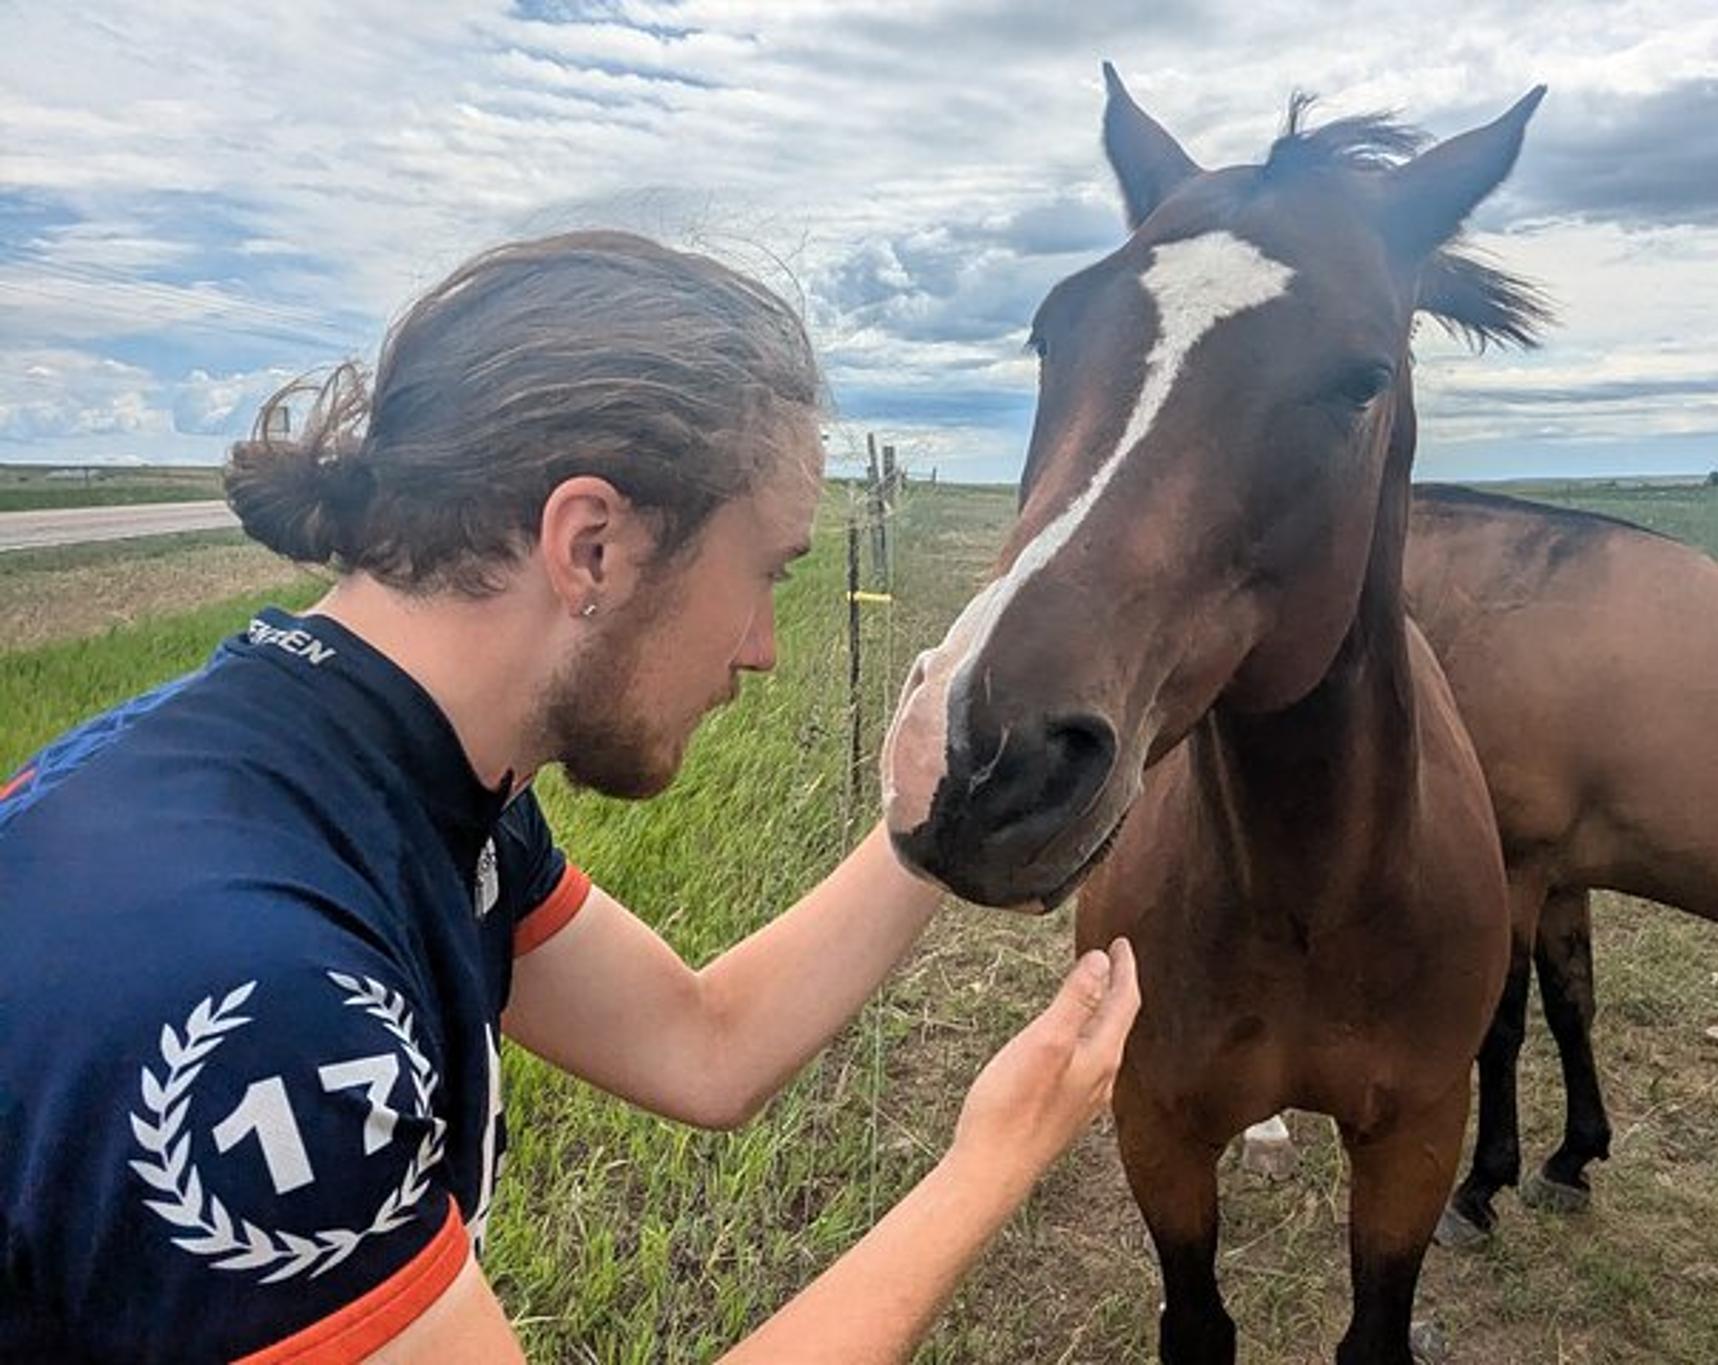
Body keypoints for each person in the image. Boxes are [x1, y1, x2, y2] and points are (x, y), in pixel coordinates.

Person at [0, 230, 1140, 1363]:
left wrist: (935, 810)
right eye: (762, 574)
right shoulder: (252, 1004)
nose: (762, 649)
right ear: (589, 545)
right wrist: (988, 1167)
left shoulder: (397, 777)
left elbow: (703, 1043)